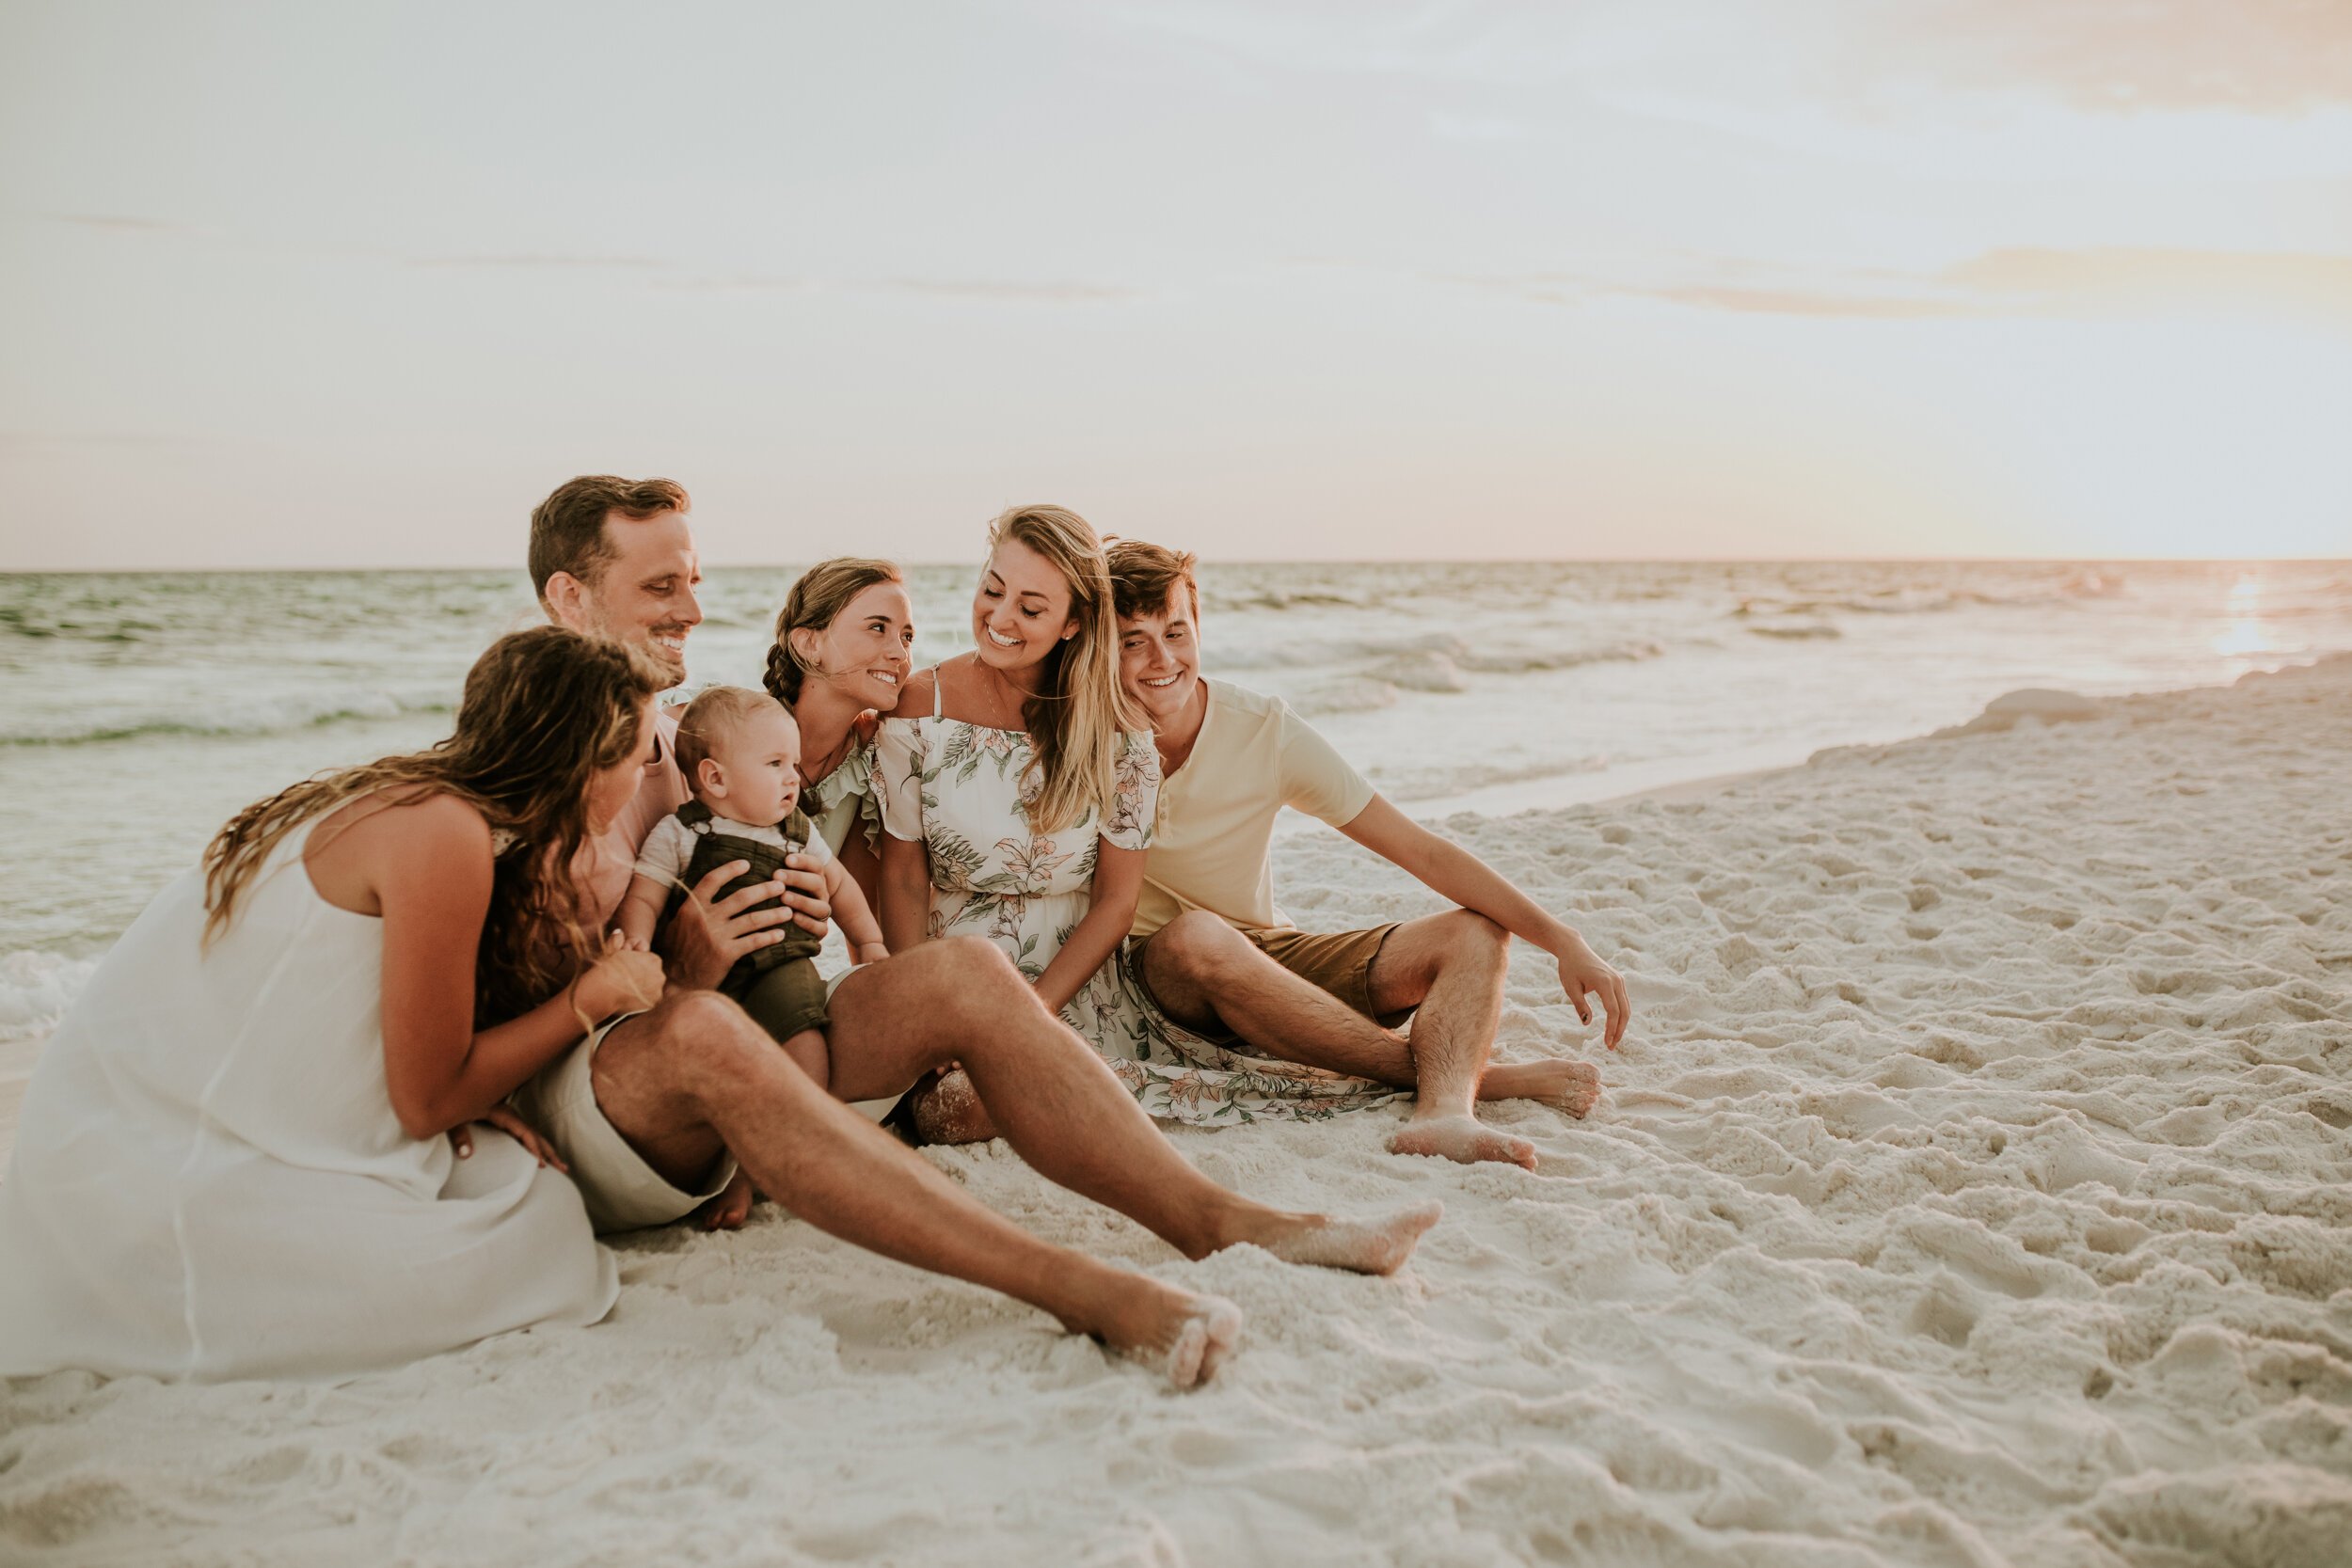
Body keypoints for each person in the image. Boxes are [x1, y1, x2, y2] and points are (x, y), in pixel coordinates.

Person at [508, 476, 1441, 1384]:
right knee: (715, 1023)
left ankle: (1221, 1218)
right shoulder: (523, 777)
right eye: (663, 586)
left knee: (965, 970)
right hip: (651, 1089)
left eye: (694, 583)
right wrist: (680, 976)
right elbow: (510, 1003)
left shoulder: (683, 747)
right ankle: (1085, 1288)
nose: (695, 611)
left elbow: (843, 873)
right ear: (568, 594)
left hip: (751, 1042)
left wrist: (832, 949)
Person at [0, 628, 667, 1379]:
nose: (649, 769)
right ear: (584, 760)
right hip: (155, 1168)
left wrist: (469, 1092)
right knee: (533, 1231)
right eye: (643, 749)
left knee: (519, 1182)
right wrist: (594, 995)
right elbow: (426, 1101)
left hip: (122, 1126)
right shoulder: (443, 832)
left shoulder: (413, 798)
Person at [1103, 538, 1632, 1169]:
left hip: (1265, 957)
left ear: (1199, 630)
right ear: (1099, 648)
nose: (1162, 659)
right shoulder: (1080, 732)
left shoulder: (1263, 731)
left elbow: (1421, 850)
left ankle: (1445, 1111)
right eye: (1133, 639)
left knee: (1475, 934)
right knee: (1198, 938)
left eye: (1176, 631)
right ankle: (1483, 1078)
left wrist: (1563, 939)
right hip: (1159, 974)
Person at [617, 684, 891, 1089]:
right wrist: (637, 942)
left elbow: (840, 886)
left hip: (781, 966)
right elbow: (644, 894)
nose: (792, 778)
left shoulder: (794, 831)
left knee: (803, 1038)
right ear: (715, 778)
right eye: (775, 763)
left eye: (793, 763)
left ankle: (810, 1110)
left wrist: (869, 941)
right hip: (705, 974)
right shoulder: (681, 832)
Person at [760, 558, 915, 905]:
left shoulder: (860, 770)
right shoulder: (724, 731)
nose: (900, 654)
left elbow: (863, 922)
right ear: (809, 644)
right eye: (878, 628)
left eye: (907, 636)